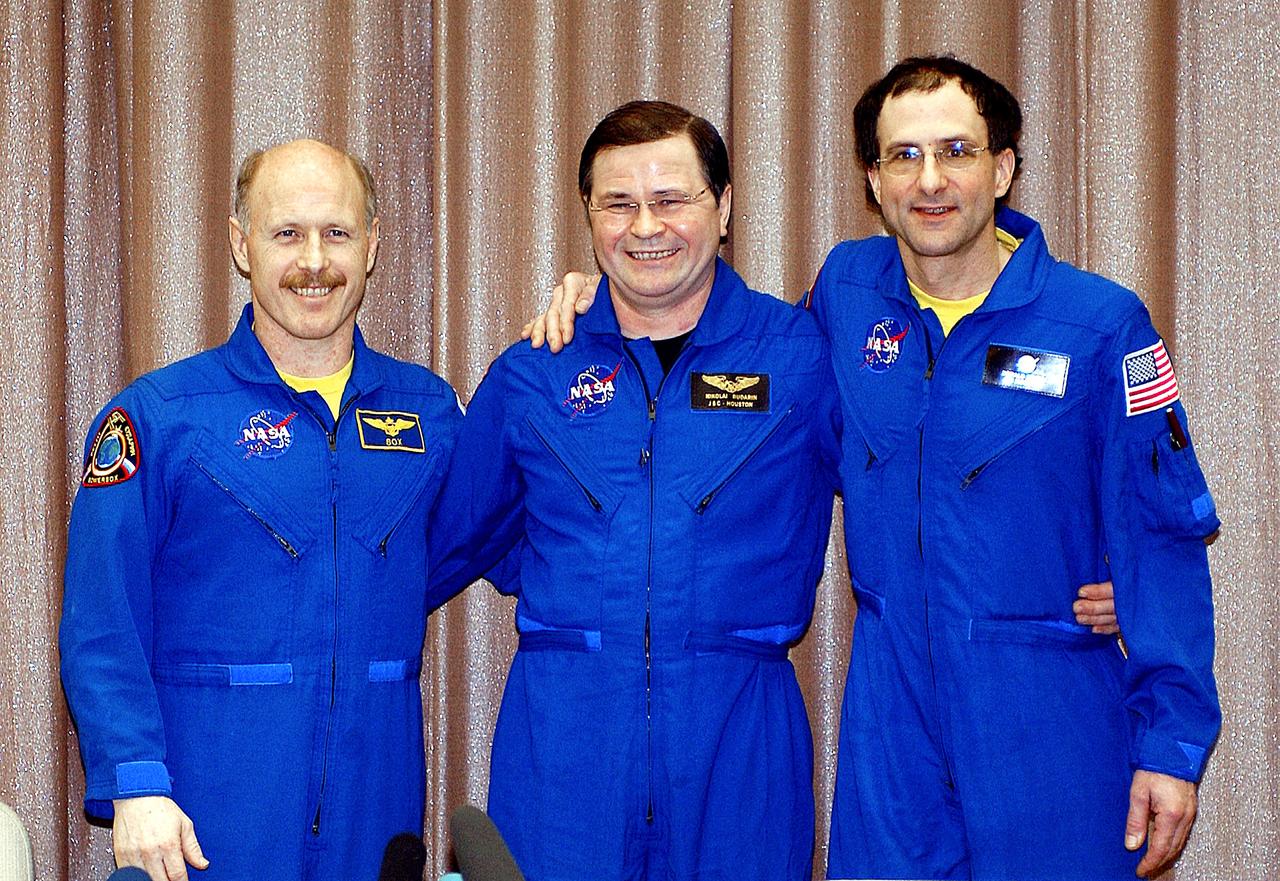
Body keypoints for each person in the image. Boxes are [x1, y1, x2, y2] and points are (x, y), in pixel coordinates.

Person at [527, 57, 1215, 880]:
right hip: (891, 728)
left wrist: (1171, 740)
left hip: (1050, 707)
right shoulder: (845, 297)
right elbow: (728, 360)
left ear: (1003, 168)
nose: (931, 180)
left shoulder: (1099, 323)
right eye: (903, 156)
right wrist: (601, 307)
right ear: (874, 180)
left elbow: (1164, 537)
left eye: (957, 151)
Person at [427, 100, 843, 881]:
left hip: (738, 736)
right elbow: (437, 541)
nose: (644, 226)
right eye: (617, 204)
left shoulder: (802, 358)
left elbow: (917, 492)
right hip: (565, 740)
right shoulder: (534, 372)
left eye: (670, 200)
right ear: (588, 216)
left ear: (723, 208)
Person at [60, 139, 463, 881]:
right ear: (241, 245)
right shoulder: (160, 416)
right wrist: (136, 779)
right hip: (207, 818)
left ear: (372, 245)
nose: (315, 261)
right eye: (287, 233)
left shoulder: (431, 414)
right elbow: (101, 621)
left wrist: (595, 315)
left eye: (337, 232)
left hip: (375, 811)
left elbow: (494, 533)